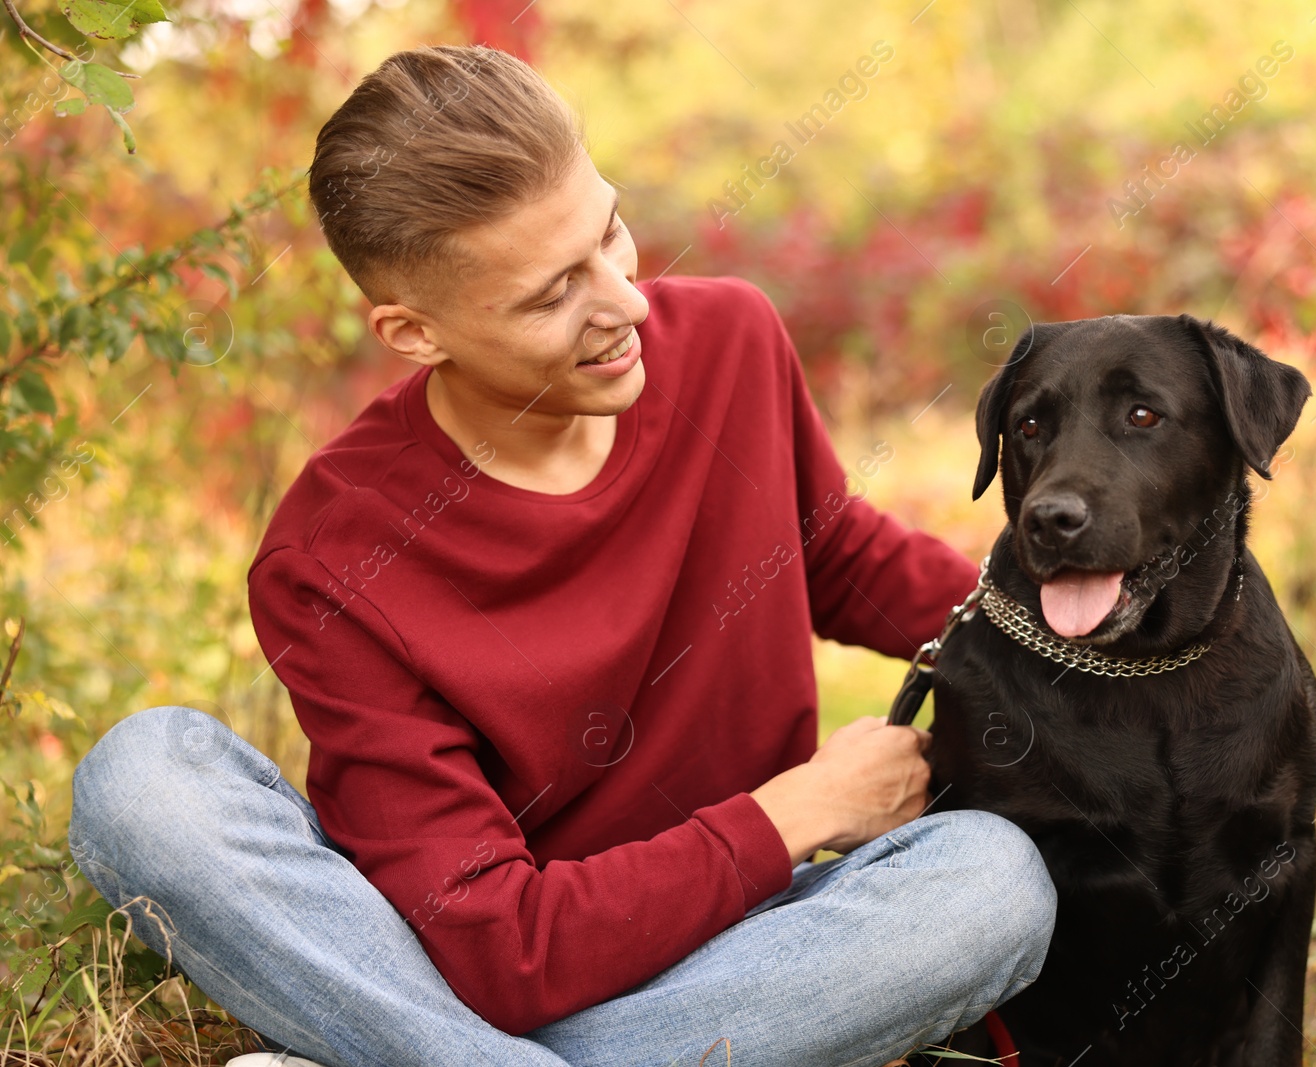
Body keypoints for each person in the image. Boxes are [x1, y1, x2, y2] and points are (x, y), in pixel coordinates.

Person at [66, 43, 1055, 1067]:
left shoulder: (729, 341)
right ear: (412, 333)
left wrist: (1103, 643)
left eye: (611, 232)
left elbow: (838, 554)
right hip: (460, 954)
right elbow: (494, 944)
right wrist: (798, 807)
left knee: (990, 880)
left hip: (749, 942)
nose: (626, 303)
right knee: (144, 780)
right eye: (550, 296)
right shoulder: (333, 554)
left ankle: (393, 1052)